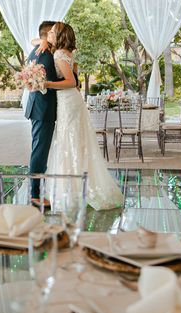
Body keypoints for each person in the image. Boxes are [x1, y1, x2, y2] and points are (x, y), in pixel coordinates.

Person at [42, 22, 124, 210]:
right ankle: (77, 186)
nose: (49, 34)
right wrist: (43, 42)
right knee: (75, 141)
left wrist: (47, 84)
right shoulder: (66, 53)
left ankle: (72, 190)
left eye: (53, 32)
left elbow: (71, 82)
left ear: (60, 35)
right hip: (71, 101)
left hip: (68, 101)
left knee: (68, 140)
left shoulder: (59, 54)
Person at [24, 21, 60, 206]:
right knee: (40, 152)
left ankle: (36, 190)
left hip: (38, 106)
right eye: (55, 32)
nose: (58, 34)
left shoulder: (39, 50)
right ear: (48, 35)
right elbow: (49, 80)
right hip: (43, 107)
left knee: (40, 150)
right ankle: (35, 194)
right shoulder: (44, 53)